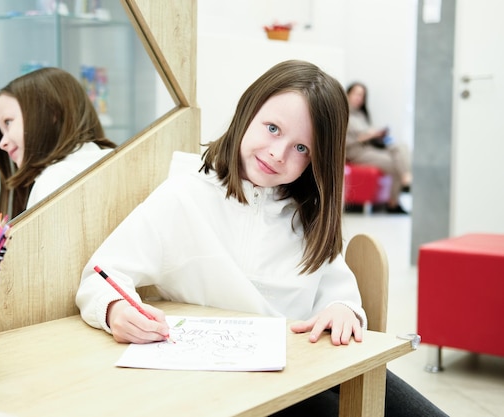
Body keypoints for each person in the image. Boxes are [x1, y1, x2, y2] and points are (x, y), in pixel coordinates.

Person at [75, 60, 447, 417]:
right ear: (248, 111)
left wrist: (343, 309)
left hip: (311, 364)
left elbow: (337, 290)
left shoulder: (307, 214)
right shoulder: (182, 197)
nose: (277, 153)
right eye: (272, 128)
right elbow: (102, 276)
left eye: (302, 148)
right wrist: (115, 311)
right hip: (234, 384)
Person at [0, 67, 117, 219]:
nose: (2, 143)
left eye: (8, 122)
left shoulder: (53, 181)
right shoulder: (112, 162)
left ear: (51, 113)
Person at [345, 81, 412, 214]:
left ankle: (406, 178)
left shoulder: (361, 115)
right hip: (355, 152)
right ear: (348, 94)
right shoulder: (343, 114)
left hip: (367, 149)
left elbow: (366, 135)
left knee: (400, 147)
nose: (359, 98)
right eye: (357, 94)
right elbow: (345, 141)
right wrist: (367, 136)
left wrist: (376, 135)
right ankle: (394, 202)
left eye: (362, 96)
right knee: (394, 164)